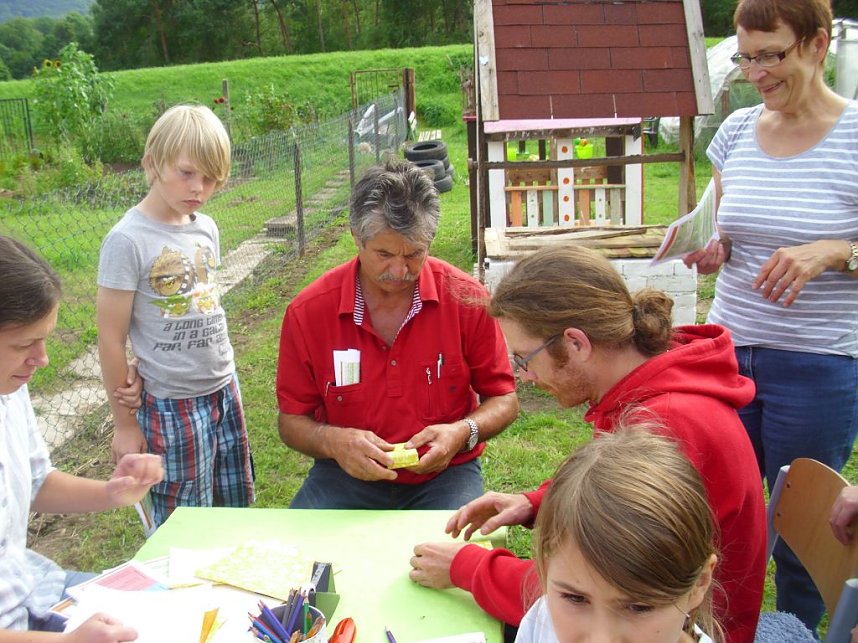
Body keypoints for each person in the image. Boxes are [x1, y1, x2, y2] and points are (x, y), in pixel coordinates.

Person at [409, 246, 766, 643]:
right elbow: (618, 510)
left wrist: (468, 568)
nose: (523, 376)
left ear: (576, 342)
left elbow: (596, 593)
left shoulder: (661, 425)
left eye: (524, 358)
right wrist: (536, 502)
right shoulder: (649, 385)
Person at [681, 0, 858, 633]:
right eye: (745, 57)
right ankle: (716, 627)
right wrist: (713, 248)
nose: (755, 73)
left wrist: (837, 251)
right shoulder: (735, 132)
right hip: (729, 355)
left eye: (771, 55)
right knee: (713, 515)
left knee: (802, 531)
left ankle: (794, 631)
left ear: (817, 45)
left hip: (817, 365)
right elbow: (729, 231)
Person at [276, 158, 518, 509]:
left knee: (454, 559)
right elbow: (291, 421)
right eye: (385, 254)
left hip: (445, 475)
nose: (400, 270)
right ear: (356, 238)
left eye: (415, 254)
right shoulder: (308, 313)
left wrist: (461, 434)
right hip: (344, 475)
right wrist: (335, 443)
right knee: (305, 558)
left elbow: (504, 399)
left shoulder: (466, 299)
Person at [97, 104, 254, 528]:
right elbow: (110, 339)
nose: (199, 188)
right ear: (151, 163)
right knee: (184, 522)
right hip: (171, 404)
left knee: (234, 508)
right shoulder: (126, 241)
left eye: (211, 178)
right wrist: (124, 424)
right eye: (186, 173)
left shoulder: (206, 228)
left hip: (224, 388)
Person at [0, 235, 164, 641]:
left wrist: (112, 492)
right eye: (24, 344)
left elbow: (36, 481)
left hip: (34, 591)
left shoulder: (10, 388)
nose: (42, 359)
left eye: (44, 339)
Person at [515, 427, 721, 643]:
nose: (600, 639)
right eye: (575, 598)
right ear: (547, 572)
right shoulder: (540, 623)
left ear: (700, 583)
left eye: (639, 607)